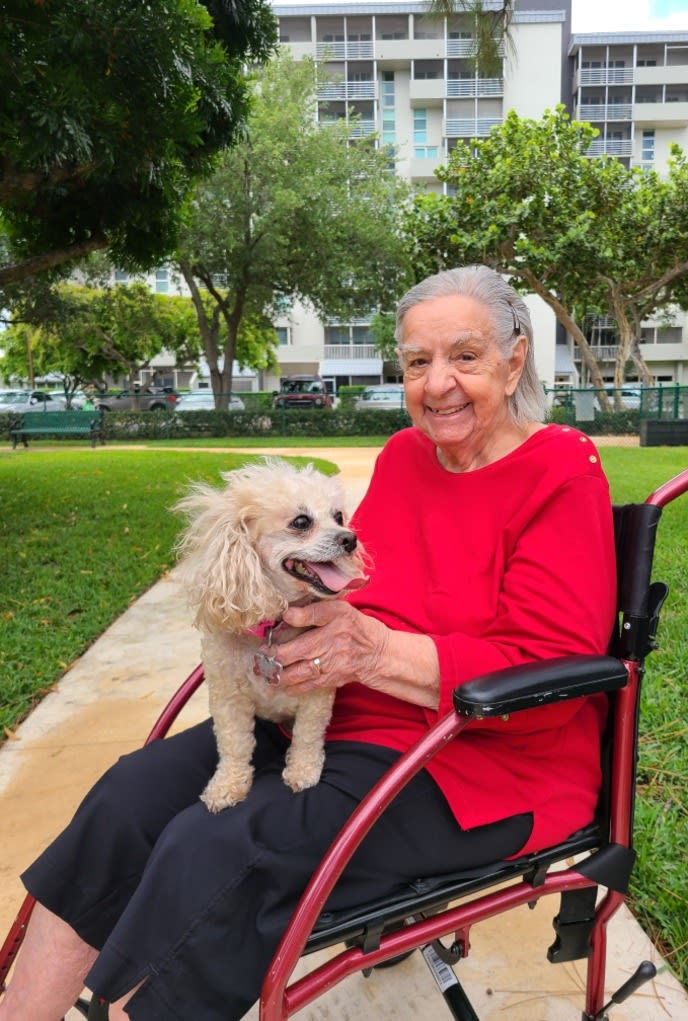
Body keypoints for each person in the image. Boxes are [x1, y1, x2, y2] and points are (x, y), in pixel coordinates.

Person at [0, 265, 616, 1021]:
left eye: (465, 356)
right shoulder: (403, 457)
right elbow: (343, 578)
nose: (439, 383)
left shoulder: (560, 468)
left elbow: (554, 672)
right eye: (418, 363)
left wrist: (374, 651)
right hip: (335, 715)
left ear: (514, 359)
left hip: (483, 765)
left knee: (215, 847)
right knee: (126, 798)